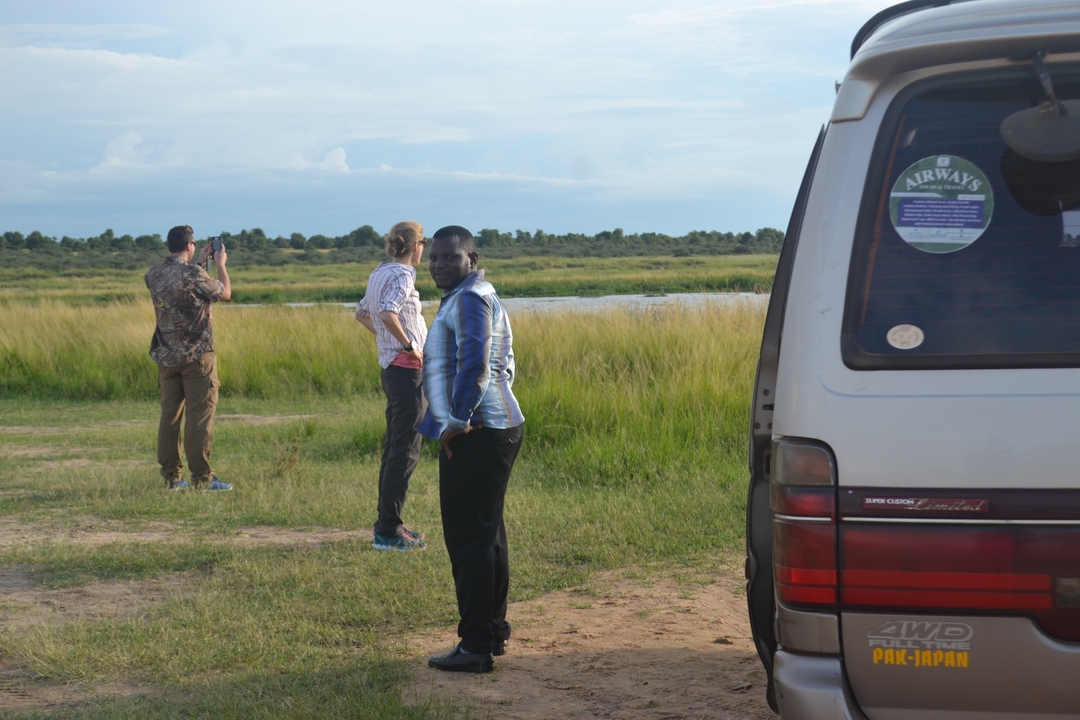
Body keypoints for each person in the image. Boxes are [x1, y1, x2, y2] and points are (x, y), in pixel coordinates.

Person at [421, 226, 525, 673]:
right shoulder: (477, 294)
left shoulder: (468, 299)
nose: (439, 265)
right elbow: (506, 362)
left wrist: (456, 422)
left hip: (476, 432)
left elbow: (476, 365)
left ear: (472, 258)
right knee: (486, 535)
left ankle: (476, 646)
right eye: (434, 258)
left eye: (450, 257)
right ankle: (492, 632)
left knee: (469, 540)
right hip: (493, 426)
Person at [354, 221, 429, 551]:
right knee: (405, 450)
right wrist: (409, 345)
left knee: (396, 448)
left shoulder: (379, 272)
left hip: (392, 370)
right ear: (415, 246)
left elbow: (361, 313)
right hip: (407, 372)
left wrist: (389, 339)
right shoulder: (403, 275)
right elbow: (386, 313)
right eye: (423, 243)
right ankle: (387, 531)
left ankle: (389, 523)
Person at [145, 225, 232, 491]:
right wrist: (220, 265)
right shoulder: (194, 274)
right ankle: (202, 477)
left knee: (169, 417)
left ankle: (172, 477)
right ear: (190, 245)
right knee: (199, 416)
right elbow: (224, 293)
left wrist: (199, 264)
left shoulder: (153, 273)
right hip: (197, 357)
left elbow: (179, 283)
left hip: (167, 357)